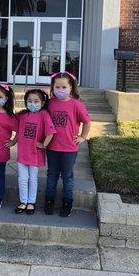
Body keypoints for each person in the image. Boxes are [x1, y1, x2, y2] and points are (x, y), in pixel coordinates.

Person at [44, 72, 91, 217]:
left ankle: (67, 202)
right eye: (57, 87)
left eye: (64, 86)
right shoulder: (50, 103)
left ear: (71, 87)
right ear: (53, 87)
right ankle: (49, 201)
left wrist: (83, 137)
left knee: (67, 176)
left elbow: (87, 121)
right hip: (52, 147)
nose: (60, 89)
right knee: (52, 175)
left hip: (69, 148)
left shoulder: (76, 105)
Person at [15, 89, 56, 215]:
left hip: (35, 153)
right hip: (22, 152)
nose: (33, 103)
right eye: (29, 101)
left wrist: (44, 144)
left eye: (36, 101)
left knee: (32, 178)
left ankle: (31, 202)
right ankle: (23, 201)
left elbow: (51, 132)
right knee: (22, 178)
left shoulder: (44, 114)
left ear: (42, 102)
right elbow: (17, 130)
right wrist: (12, 142)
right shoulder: (22, 115)